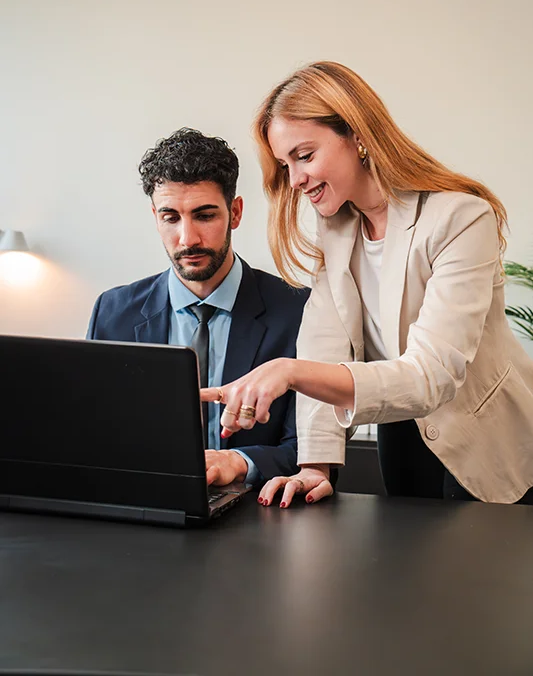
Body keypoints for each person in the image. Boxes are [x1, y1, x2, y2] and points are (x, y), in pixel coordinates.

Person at [201, 61, 533, 506]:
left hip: (489, 445)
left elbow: (432, 374)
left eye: (304, 155)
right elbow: (323, 345)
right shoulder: (336, 230)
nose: (295, 179)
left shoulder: (461, 218)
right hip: (402, 437)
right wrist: (314, 466)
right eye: (286, 164)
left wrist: (290, 373)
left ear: (357, 136)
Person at [87, 128, 309, 488]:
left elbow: (315, 445)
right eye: (170, 217)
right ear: (155, 216)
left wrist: (238, 461)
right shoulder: (112, 313)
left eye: (204, 216)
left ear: (234, 212)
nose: (187, 239)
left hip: (260, 520)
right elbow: (93, 436)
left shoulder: (299, 309)